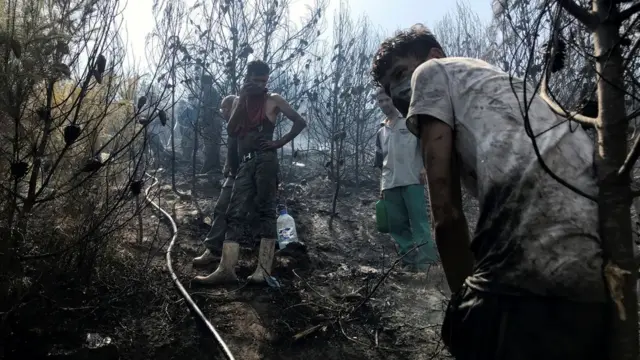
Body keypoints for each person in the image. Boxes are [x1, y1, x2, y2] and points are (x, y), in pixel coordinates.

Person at [370, 24, 607, 360]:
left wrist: (464, 302)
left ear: (434, 55)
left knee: (463, 325)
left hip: (532, 272)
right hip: (601, 266)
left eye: (399, 72)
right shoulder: (506, 87)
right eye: (387, 86)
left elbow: (446, 215)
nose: (396, 91)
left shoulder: (431, 73)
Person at [193, 60, 307, 285]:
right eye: (256, 81)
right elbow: (231, 129)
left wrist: (278, 142)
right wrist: (243, 98)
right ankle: (226, 268)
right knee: (234, 212)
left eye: (264, 81)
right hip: (245, 162)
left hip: (266, 160)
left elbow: (299, 121)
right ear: (247, 79)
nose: (260, 85)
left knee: (266, 212)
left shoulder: (273, 99)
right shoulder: (239, 101)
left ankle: (263, 269)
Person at [374, 87, 436, 272]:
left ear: (393, 99)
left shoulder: (410, 121)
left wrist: (425, 167)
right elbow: (380, 162)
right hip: (390, 183)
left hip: (412, 179)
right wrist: (382, 186)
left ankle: (426, 265)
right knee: (397, 227)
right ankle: (408, 263)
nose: (384, 104)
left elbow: (426, 144)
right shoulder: (381, 130)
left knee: (419, 223)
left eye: (387, 99)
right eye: (380, 101)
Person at [192, 95, 239, 268]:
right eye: (223, 108)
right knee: (221, 209)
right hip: (234, 176)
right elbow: (232, 151)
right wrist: (227, 167)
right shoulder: (232, 125)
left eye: (228, 108)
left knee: (239, 216)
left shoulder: (244, 124)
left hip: (247, 175)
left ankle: (232, 262)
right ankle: (213, 251)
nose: (224, 111)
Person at [178, 94, 198, 161]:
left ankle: (191, 158)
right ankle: (186, 157)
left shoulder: (199, 108)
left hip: (196, 130)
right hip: (187, 130)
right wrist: (184, 124)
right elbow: (180, 118)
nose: (191, 100)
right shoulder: (187, 109)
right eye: (190, 99)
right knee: (185, 144)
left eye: (193, 98)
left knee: (194, 145)